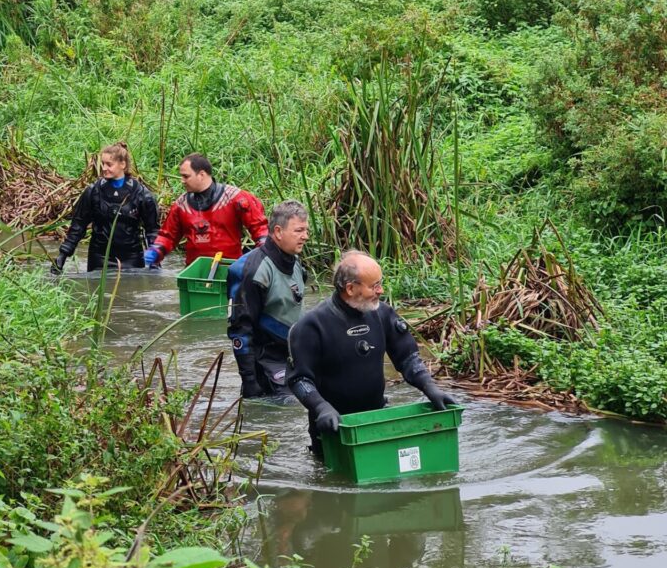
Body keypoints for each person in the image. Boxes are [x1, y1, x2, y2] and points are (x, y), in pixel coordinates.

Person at [287, 250, 456, 455]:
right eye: (374, 285)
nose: (381, 290)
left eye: (380, 283)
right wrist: (321, 407)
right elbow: (300, 379)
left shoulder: (383, 314)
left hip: (376, 420)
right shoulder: (312, 326)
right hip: (332, 425)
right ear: (350, 288)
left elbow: (408, 358)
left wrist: (430, 387)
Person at [227, 200, 309, 403]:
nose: (305, 237)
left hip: (291, 356)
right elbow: (240, 329)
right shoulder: (254, 271)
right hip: (266, 362)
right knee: (292, 410)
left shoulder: (295, 262)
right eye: (299, 231)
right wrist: (249, 381)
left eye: (306, 230)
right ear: (278, 232)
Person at [53, 142, 159, 273]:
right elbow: (78, 226)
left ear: (123, 165)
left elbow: (152, 230)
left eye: (109, 164)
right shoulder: (93, 192)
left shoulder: (142, 194)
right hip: (99, 258)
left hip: (132, 259)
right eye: (103, 163)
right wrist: (62, 257)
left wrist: (156, 261)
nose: (104, 168)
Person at [147, 153, 268, 267]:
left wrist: (264, 251)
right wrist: (157, 249)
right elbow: (168, 236)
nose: (182, 180)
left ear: (201, 175)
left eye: (186, 176)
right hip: (194, 271)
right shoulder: (181, 205)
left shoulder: (235, 198)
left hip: (230, 268)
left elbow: (260, 228)